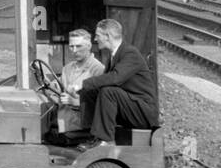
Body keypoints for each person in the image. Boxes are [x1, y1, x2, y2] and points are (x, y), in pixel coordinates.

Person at [68, 18, 158, 148]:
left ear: (107, 36)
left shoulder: (130, 53)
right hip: (130, 107)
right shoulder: (114, 55)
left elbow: (116, 78)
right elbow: (103, 82)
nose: (95, 39)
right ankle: (92, 135)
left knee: (108, 92)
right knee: (91, 91)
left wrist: (83, 83)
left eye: (98, 35)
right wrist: (80, 91)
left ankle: (105, 140)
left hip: (143, 112)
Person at [56, 29, 104, 133]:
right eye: (71, 46)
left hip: (84, 128)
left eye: (78, 46)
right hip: (63, 124)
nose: (74, 50)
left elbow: (101, 104)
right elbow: (57, 90)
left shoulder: (98, 69)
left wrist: (74, 102)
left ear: (89, 46)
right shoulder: (67, 68)